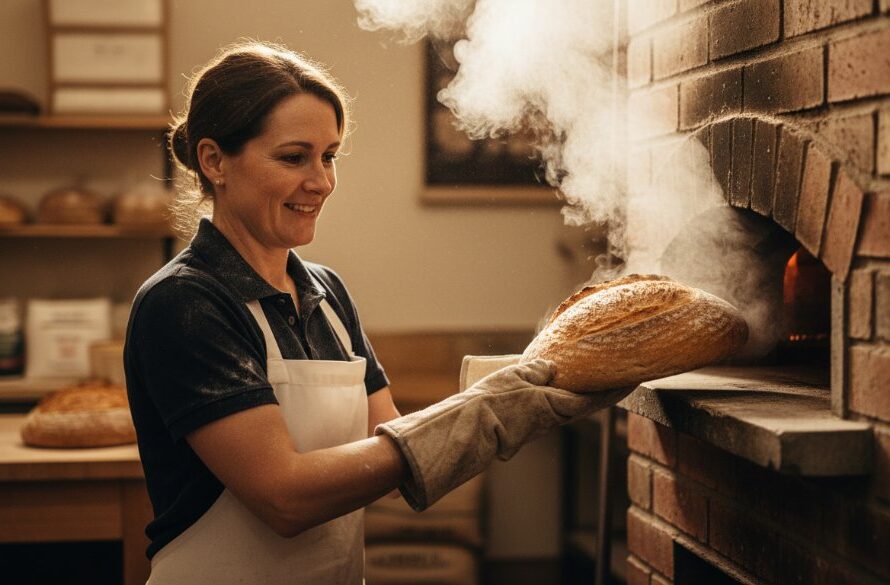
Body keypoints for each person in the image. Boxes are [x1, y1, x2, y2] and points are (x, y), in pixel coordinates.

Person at [124, 41, 628, 585]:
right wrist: (483, 413)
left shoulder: (326, 293)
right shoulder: (186, 302)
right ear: (214, 160)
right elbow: (284, 497)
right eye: (294, 157)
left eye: (329, 155)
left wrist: (513, 391)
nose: (320, 181)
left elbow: (387, 464)